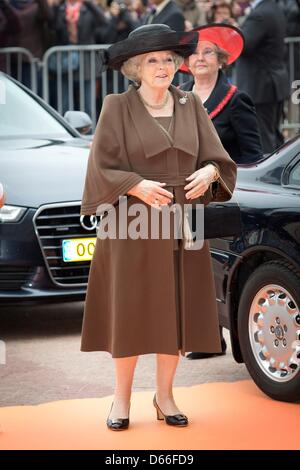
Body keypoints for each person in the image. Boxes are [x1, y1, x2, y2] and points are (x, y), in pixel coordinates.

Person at [80, 23, 236, 430]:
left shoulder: (190, 104)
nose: (163, 66)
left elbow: (218, 160)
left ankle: (165, 396)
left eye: (169, 58)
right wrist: (135, 185)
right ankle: (120, 400)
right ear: (135, 67)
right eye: (153, 59)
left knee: (179, 312)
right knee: (130, 312)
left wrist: (208, 173)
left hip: (184, 222)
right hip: (131, 223)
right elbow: (100, 167)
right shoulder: (117, 106)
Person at [180, 24, 263, 359]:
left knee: (215, 264)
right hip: (186, 192)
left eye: (208, 52)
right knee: (189, 263)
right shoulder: (179, 95)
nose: (200, 58)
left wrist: (225, 180)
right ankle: (206, 338)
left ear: (221, 60)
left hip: (221, 193)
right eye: (195, 53)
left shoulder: (235, 98)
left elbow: (253, 154)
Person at [235, 0, 290, 154]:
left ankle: (269, 177)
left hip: (261, 87)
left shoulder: (260, 14)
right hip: (270, 85)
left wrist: (229, 33)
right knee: (273, 137)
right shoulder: (272, 7)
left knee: (264, 140)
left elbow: (243, 45)